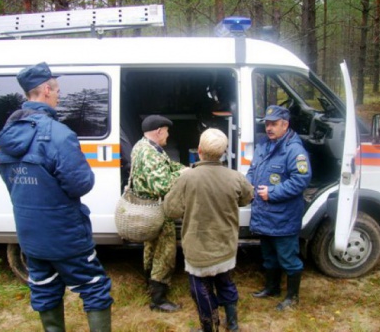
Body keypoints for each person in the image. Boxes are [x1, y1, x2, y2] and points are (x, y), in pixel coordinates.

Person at [0, 62, 113, 331]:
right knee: (94, 287)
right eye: (58, 90)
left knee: (44, 288)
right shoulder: (59, 135)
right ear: (47, 90)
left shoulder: (7, 136)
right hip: (65, 233)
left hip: (30, 234)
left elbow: (10, 183)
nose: (59, 96)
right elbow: (80, 184)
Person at [164, 128, 254, 332]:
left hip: (198, 248)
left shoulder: (187, 178)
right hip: (226, 245)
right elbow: (247, 197)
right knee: (225, 282)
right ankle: (233, 324)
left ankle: (208, 327)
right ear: (223, 152)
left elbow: (171, 210)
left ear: (199, 150)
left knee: (200, 289)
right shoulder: (235, 177)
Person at [246, 105, 312, 311]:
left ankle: (292, 298)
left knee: (288, 258)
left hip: (283, 216)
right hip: (264, 215)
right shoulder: (264, 145)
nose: (269, 128)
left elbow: (301, 180)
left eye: (274, 124)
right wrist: (248, 186)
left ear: (285, 125)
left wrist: (273, 193)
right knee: (269, 256)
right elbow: (252, 170)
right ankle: (272, 288)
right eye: (267, 123)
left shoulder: (294, 150)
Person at [130, 114, 187, 313]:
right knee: (165, 252)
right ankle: (158, 299)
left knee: (151, 248)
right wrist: (183, 175)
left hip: (147, 209)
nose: (168, 135)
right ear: (159, 131)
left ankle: (150, 286)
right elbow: (161, 185)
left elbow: (168, 167)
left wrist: (186, 169)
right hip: (156, 209)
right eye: (167, 131)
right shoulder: (150, 153)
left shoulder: (143, 146)